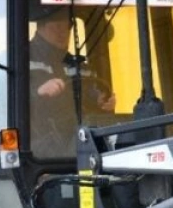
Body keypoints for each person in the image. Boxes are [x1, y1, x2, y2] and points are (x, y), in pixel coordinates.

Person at [28, 8, 117, 160]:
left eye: (67, 28)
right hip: (37, 154)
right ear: (40, 26)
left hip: (80, 147)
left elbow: (92, 94)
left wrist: (103, 102)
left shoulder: (80, 66)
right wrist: (37, 93)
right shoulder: (17, 60)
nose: (63, 33)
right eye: (56, 27)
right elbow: (3, 105)